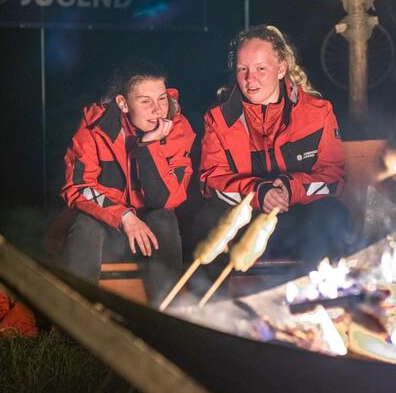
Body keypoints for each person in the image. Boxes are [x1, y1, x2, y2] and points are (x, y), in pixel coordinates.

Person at [193, 25, 352, 274]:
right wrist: (259, 192)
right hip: (246, 223)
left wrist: (291, 188)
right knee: (206, 219)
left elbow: (334, 179)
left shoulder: (317, 113)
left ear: (281, 69)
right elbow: (211, 182)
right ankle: (214, 298)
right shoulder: (219, 119)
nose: (250, 79)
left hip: (298, 219)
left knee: (334, 215)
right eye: (242, 69)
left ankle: (322, 291)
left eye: (260, 69)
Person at [60, 60, 195, 305]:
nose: (157, 110)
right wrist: (124, 216)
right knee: (86, 224)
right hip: (109, 229)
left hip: (151, 235)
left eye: (162, 99)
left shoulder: (177, 128)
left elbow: (167, 198)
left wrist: (149, 145)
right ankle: (78, 314)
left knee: (163, 217)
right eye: (145, 101)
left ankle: (168, 313)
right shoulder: (95, 127)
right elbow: (78, 187)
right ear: (123, 103)